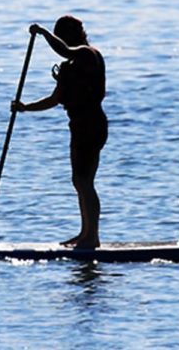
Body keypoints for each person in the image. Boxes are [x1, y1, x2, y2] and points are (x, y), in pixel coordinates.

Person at [12, 15, 108, 248]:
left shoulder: (88, 54)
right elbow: (55, 99)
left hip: (92, 123)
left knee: (85, 181)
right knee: (79, 180)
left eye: (63, 35)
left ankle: (92, 237)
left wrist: (44, 33)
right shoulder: (68, 67)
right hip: (78, 125)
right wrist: (25, 107)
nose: (62, 40)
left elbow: (64, 50)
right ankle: (85, 233)